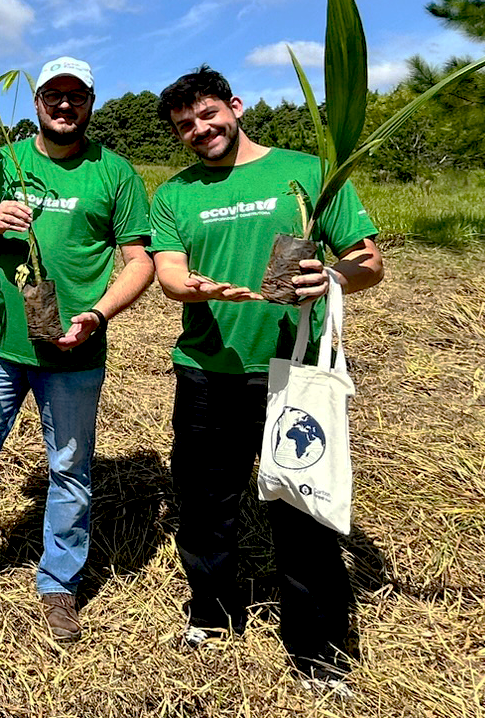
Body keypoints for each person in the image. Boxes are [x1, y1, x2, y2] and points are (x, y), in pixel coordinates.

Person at [148, 65, 384, 697]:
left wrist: (330, 276)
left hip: (297, 372)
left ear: (235, 106)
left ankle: (318, 648)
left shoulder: (306, 171)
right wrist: (188, 286)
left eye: (206, 115)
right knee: (205, 504)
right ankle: (214, 616)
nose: (199, 131)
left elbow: (368, 260)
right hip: (209, 371)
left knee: (301, 511)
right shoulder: (174, 194)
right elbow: (168, 270)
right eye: (184, 127)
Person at [0, 56, 155, 643]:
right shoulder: (3, 161)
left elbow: (140, 261)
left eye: (77, 95)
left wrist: (99, 314)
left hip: (75, 349)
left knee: (70, 469)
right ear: (37, 102)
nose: (65, 104)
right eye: (55, 94)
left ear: (91, 104)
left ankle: (58, 584)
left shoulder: (115, 172)